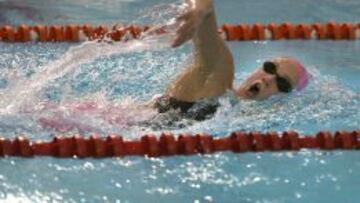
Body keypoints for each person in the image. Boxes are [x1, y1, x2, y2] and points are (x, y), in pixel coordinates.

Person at [151, 0, 310, 122]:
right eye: (270, 68)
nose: (268, 79)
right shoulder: (219, 82)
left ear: (283, 101)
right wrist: (200, 10)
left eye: (282, 83)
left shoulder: (234, 117)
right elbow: (207, 16)